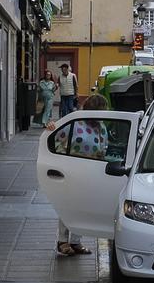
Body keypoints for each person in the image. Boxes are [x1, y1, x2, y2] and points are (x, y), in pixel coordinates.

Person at [47, 93, 112, 256]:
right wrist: (51, 127)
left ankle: (76, 241)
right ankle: (62, 241)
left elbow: (104, 147)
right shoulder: (75, 122)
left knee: (82, 206)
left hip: (91, 173)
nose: (102, 115)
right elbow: (55, 136)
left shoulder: (101, 126)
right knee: (68, 206)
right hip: (71, 171)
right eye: (100, 111)